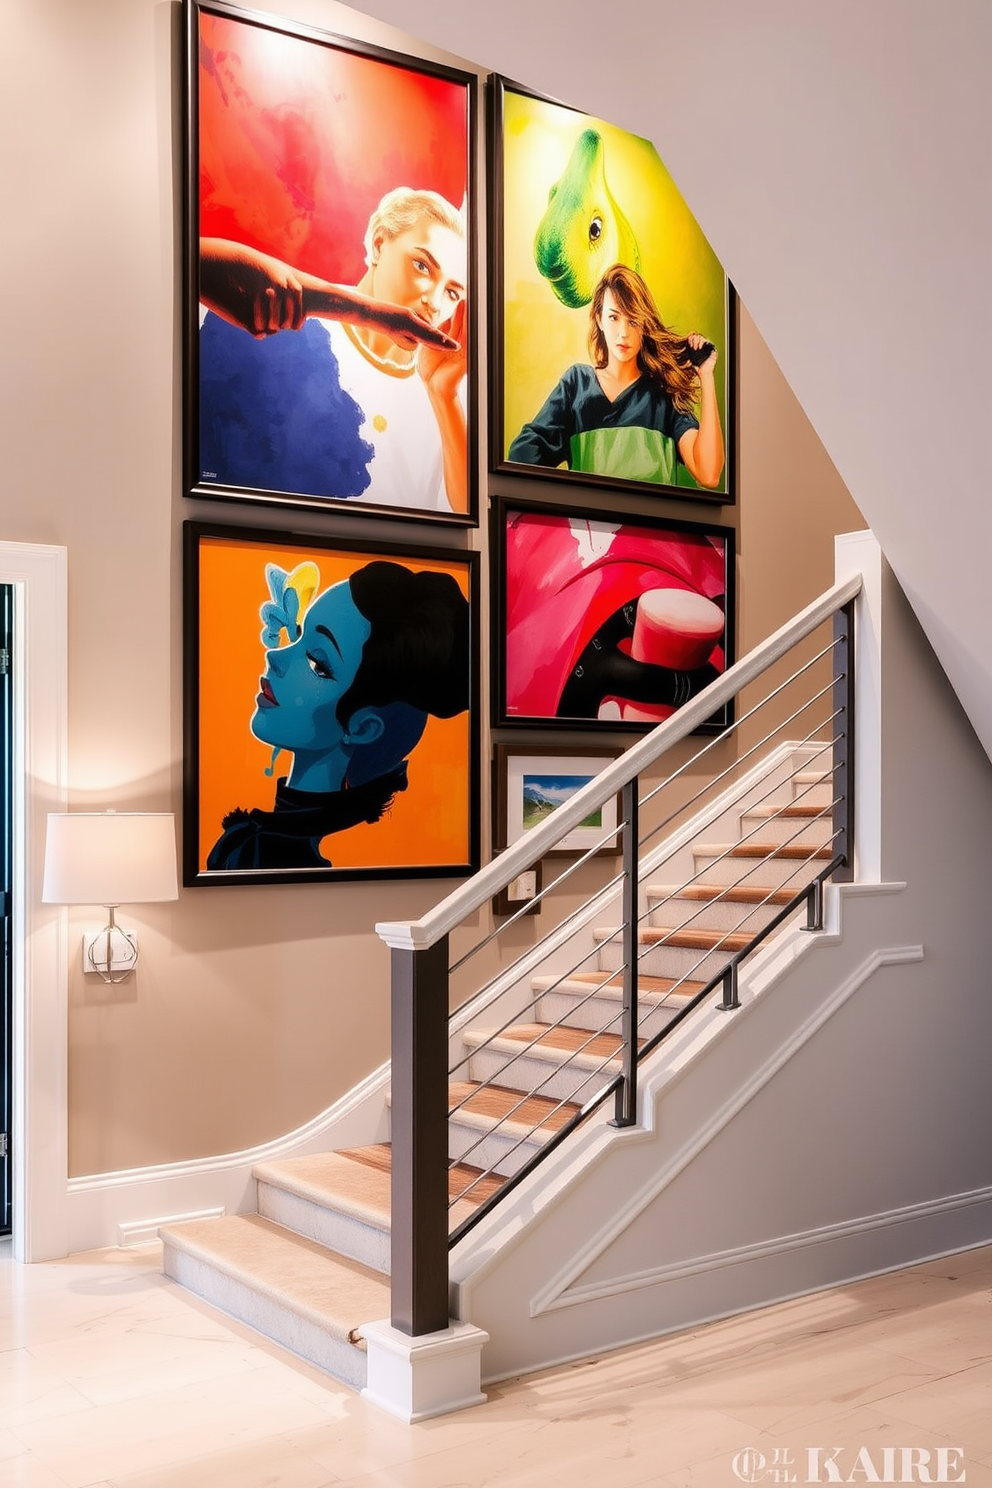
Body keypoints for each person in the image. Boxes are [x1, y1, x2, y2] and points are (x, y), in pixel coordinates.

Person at [198, 187, 468, 513]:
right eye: (422, 267)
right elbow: (189, 262)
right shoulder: (302, 324)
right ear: (380, 243)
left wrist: (445, 397)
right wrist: (369, 312)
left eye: (453, 293)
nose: (434, 302)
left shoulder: (446, 390)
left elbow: (468, 518)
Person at [207, 558, 470, 871]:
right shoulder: (257, 838)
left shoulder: (296, 855)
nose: (274, 656)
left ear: (361, 727)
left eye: (318, 663)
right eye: (300, 635)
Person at [507, 263, 724, 489]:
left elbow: (708, 474)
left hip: (650, 524)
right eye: (614, 317)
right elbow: (522, 455)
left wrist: (706, 376)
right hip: (587, 523)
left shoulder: (664, 391)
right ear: (599, 319)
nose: (623, 333)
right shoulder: (577, 384)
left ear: (645, 325)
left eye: (633, 321)